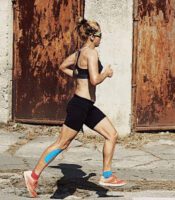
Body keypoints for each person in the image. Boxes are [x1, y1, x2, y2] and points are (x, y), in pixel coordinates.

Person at [23, 17, 126, 198]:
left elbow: (63, 66)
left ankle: (107, 175)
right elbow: (95, 80)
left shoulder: (80, 53)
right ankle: (32, 175)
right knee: (62, 144)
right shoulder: (91, 53)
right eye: (100, 35)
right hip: (80, 106)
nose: (102, 38)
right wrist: (106, 74)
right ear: (92, 37)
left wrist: (79, 78)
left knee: (112, 134)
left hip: (86, 106)